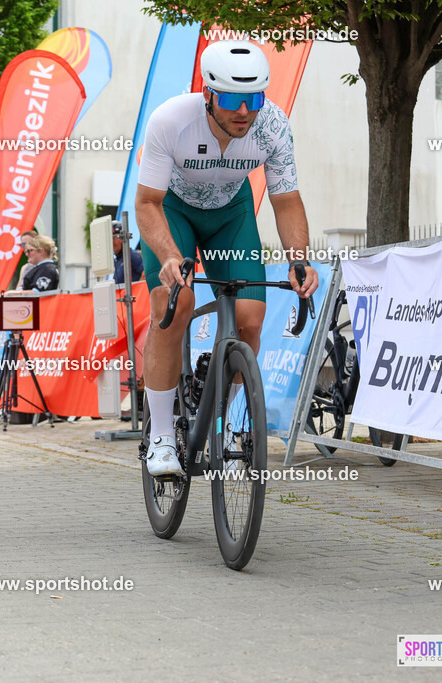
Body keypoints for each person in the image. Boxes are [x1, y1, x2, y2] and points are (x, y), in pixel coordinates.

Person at [135, 40, 317, 476]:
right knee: (172, 306)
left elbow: (287, 201)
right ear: (208, 94)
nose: (244, 111)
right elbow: (146, 203)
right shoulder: (171, 121)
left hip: (230, 217)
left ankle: (220, 422)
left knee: (251, 317)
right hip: (172, 210)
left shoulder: (272, 125)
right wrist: (169, 256)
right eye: (234, 100)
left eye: (254, 99)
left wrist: (299, 260)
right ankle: (160, 437)